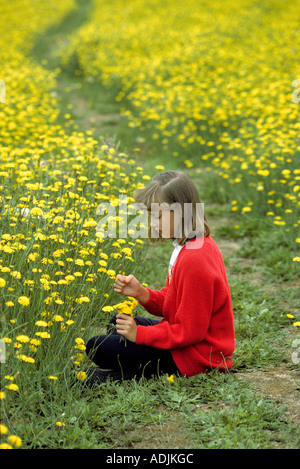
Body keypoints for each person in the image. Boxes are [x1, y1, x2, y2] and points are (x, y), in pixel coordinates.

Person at [84, 170, 235, 387]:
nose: (153, 223)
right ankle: (131, 366)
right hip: (189, 343)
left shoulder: (195, 258)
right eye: (151, 216)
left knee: (98, 346)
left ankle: (122, 376)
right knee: (116, 324)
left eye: (158, 216)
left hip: (198, 356)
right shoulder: (188, 245)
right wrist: (142, 294)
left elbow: (189, 332)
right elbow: (175, 306)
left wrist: (140, 335)